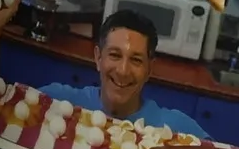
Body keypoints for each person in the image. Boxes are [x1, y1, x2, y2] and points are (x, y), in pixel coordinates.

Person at [44, 9, 207, 137]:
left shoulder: (176, 128)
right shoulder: (54, 101)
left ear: (149, 69)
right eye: (115, 55)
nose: (123, 71)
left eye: (136, 60)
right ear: (98, 58)